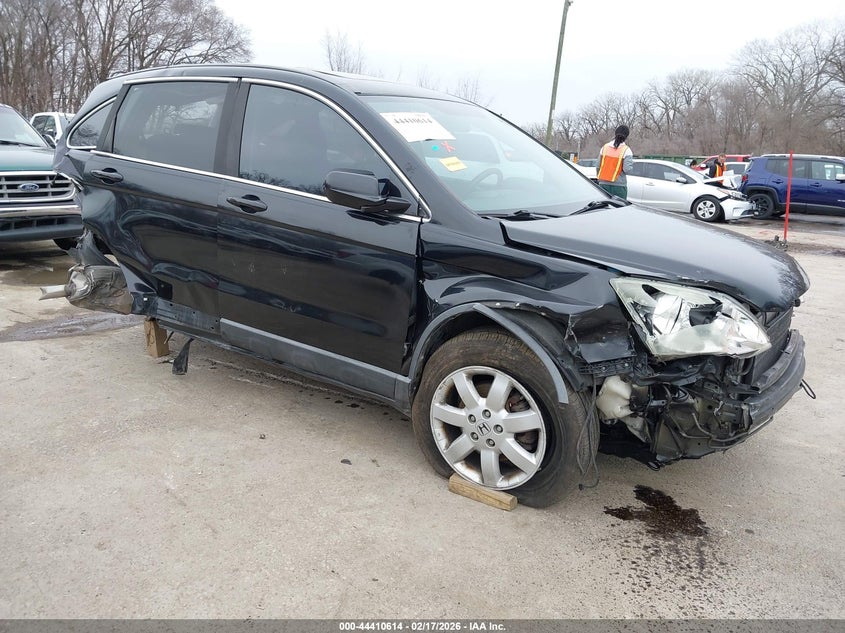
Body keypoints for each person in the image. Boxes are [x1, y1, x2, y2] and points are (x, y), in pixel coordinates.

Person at [596, 125, 633, 199]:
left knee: (603, 208)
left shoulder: (605, 147)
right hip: (619, 187)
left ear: (615, 134)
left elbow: (598, 166)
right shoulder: (626, 150)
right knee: (618, 209)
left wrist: (600, 179)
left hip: (603, 184)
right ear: (626, 136)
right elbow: (627, 170)